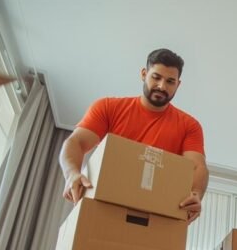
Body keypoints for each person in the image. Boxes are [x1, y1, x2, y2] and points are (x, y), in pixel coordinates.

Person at [59, 48, 208, 223]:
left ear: (178, 85)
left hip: (154, 216)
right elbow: (76, 142)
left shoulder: (189, 126)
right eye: (156, 77)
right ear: (144, 74)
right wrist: (71, 174)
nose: (162, 86)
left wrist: (196, 194)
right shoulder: (108, 107)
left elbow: (198, 167)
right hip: (103, 207)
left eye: (170, 81)